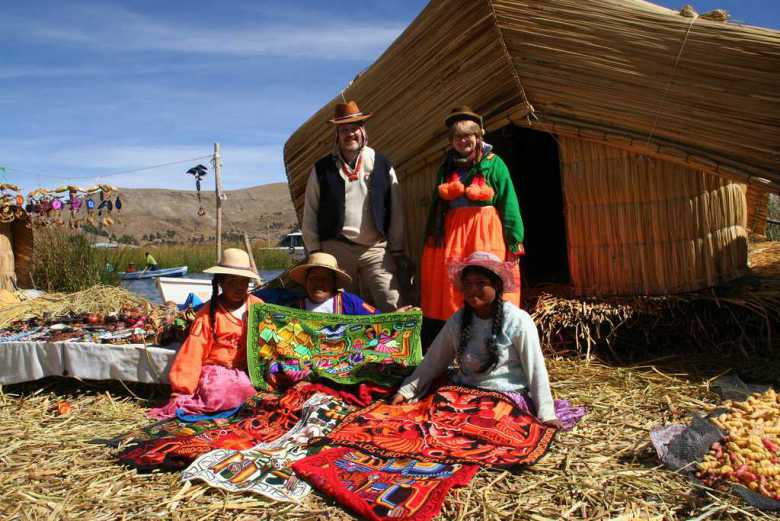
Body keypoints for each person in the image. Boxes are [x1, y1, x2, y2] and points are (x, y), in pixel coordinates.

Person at [392, 252, 586, 431]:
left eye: (481, 283)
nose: (472, 289)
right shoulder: (458, 320)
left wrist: (546, 414)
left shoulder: (518, 321)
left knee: (482, 423)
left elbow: (536, 369)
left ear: (497, 286)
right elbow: (434, 360)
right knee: (434, 419)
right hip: (464, 393)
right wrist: (407, 390)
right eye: (467, 283)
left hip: (504, 396)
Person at [420, 107, 524, 347]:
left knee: (484, 278)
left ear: (479, 137)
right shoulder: (446, 167)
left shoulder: (494, 164)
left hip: (485, 231)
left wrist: (514, 239)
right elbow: (437, 205)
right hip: (454, 231)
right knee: (452, 283)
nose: (463, 141)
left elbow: (508, 201)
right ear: (452, 141)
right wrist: (431, 236)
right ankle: (455, 342)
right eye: (458, 137)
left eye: (468, 135)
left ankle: (492, 342)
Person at [302, 100, 407, 312]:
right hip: (337, 247)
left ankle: (396, 345)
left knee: (391, 300)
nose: (350, 134)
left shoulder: (380, 163)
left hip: (374, 248)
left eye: (354, 129)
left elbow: (395, 209)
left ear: (363, 131)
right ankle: (346, 345)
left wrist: (396, 249)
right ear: (337, 135)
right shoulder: (322, 168)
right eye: (344, 130)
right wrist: (315, 251)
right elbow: (310, 211)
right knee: (343, 305)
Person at [148, 248, 263, 419]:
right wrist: (181, 391)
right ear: (221, 282)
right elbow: (193, 353)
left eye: (244, 281)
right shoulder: (209, 314)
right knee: (228, 391)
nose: (239, 287)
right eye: (232, 281)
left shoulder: (257, 306)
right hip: (218, 372)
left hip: (250, 370)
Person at [288, 252, 378, 315]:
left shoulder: (349, 302)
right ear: (306, 282)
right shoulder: (295, 308)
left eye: (325, 279)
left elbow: (376, 320)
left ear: (333, 283)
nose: (319, 282)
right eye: (314, 278)